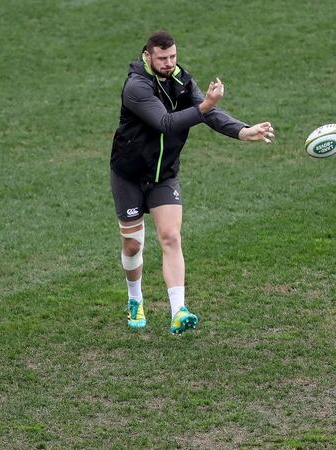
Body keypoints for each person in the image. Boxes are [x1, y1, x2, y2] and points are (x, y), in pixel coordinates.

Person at [110, 31, 274, 335]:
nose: (169, 63)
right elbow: (165, 122)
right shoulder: (136, 87)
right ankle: (135, 299)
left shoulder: (181, 79)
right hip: (129, 176)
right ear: (147, 56)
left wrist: (242, 131)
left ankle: (178, 311)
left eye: (173, 56)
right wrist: (205, 106)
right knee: (133, 244)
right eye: (162, 58)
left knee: (171, 237)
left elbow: (208, 113)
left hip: (165, 174)